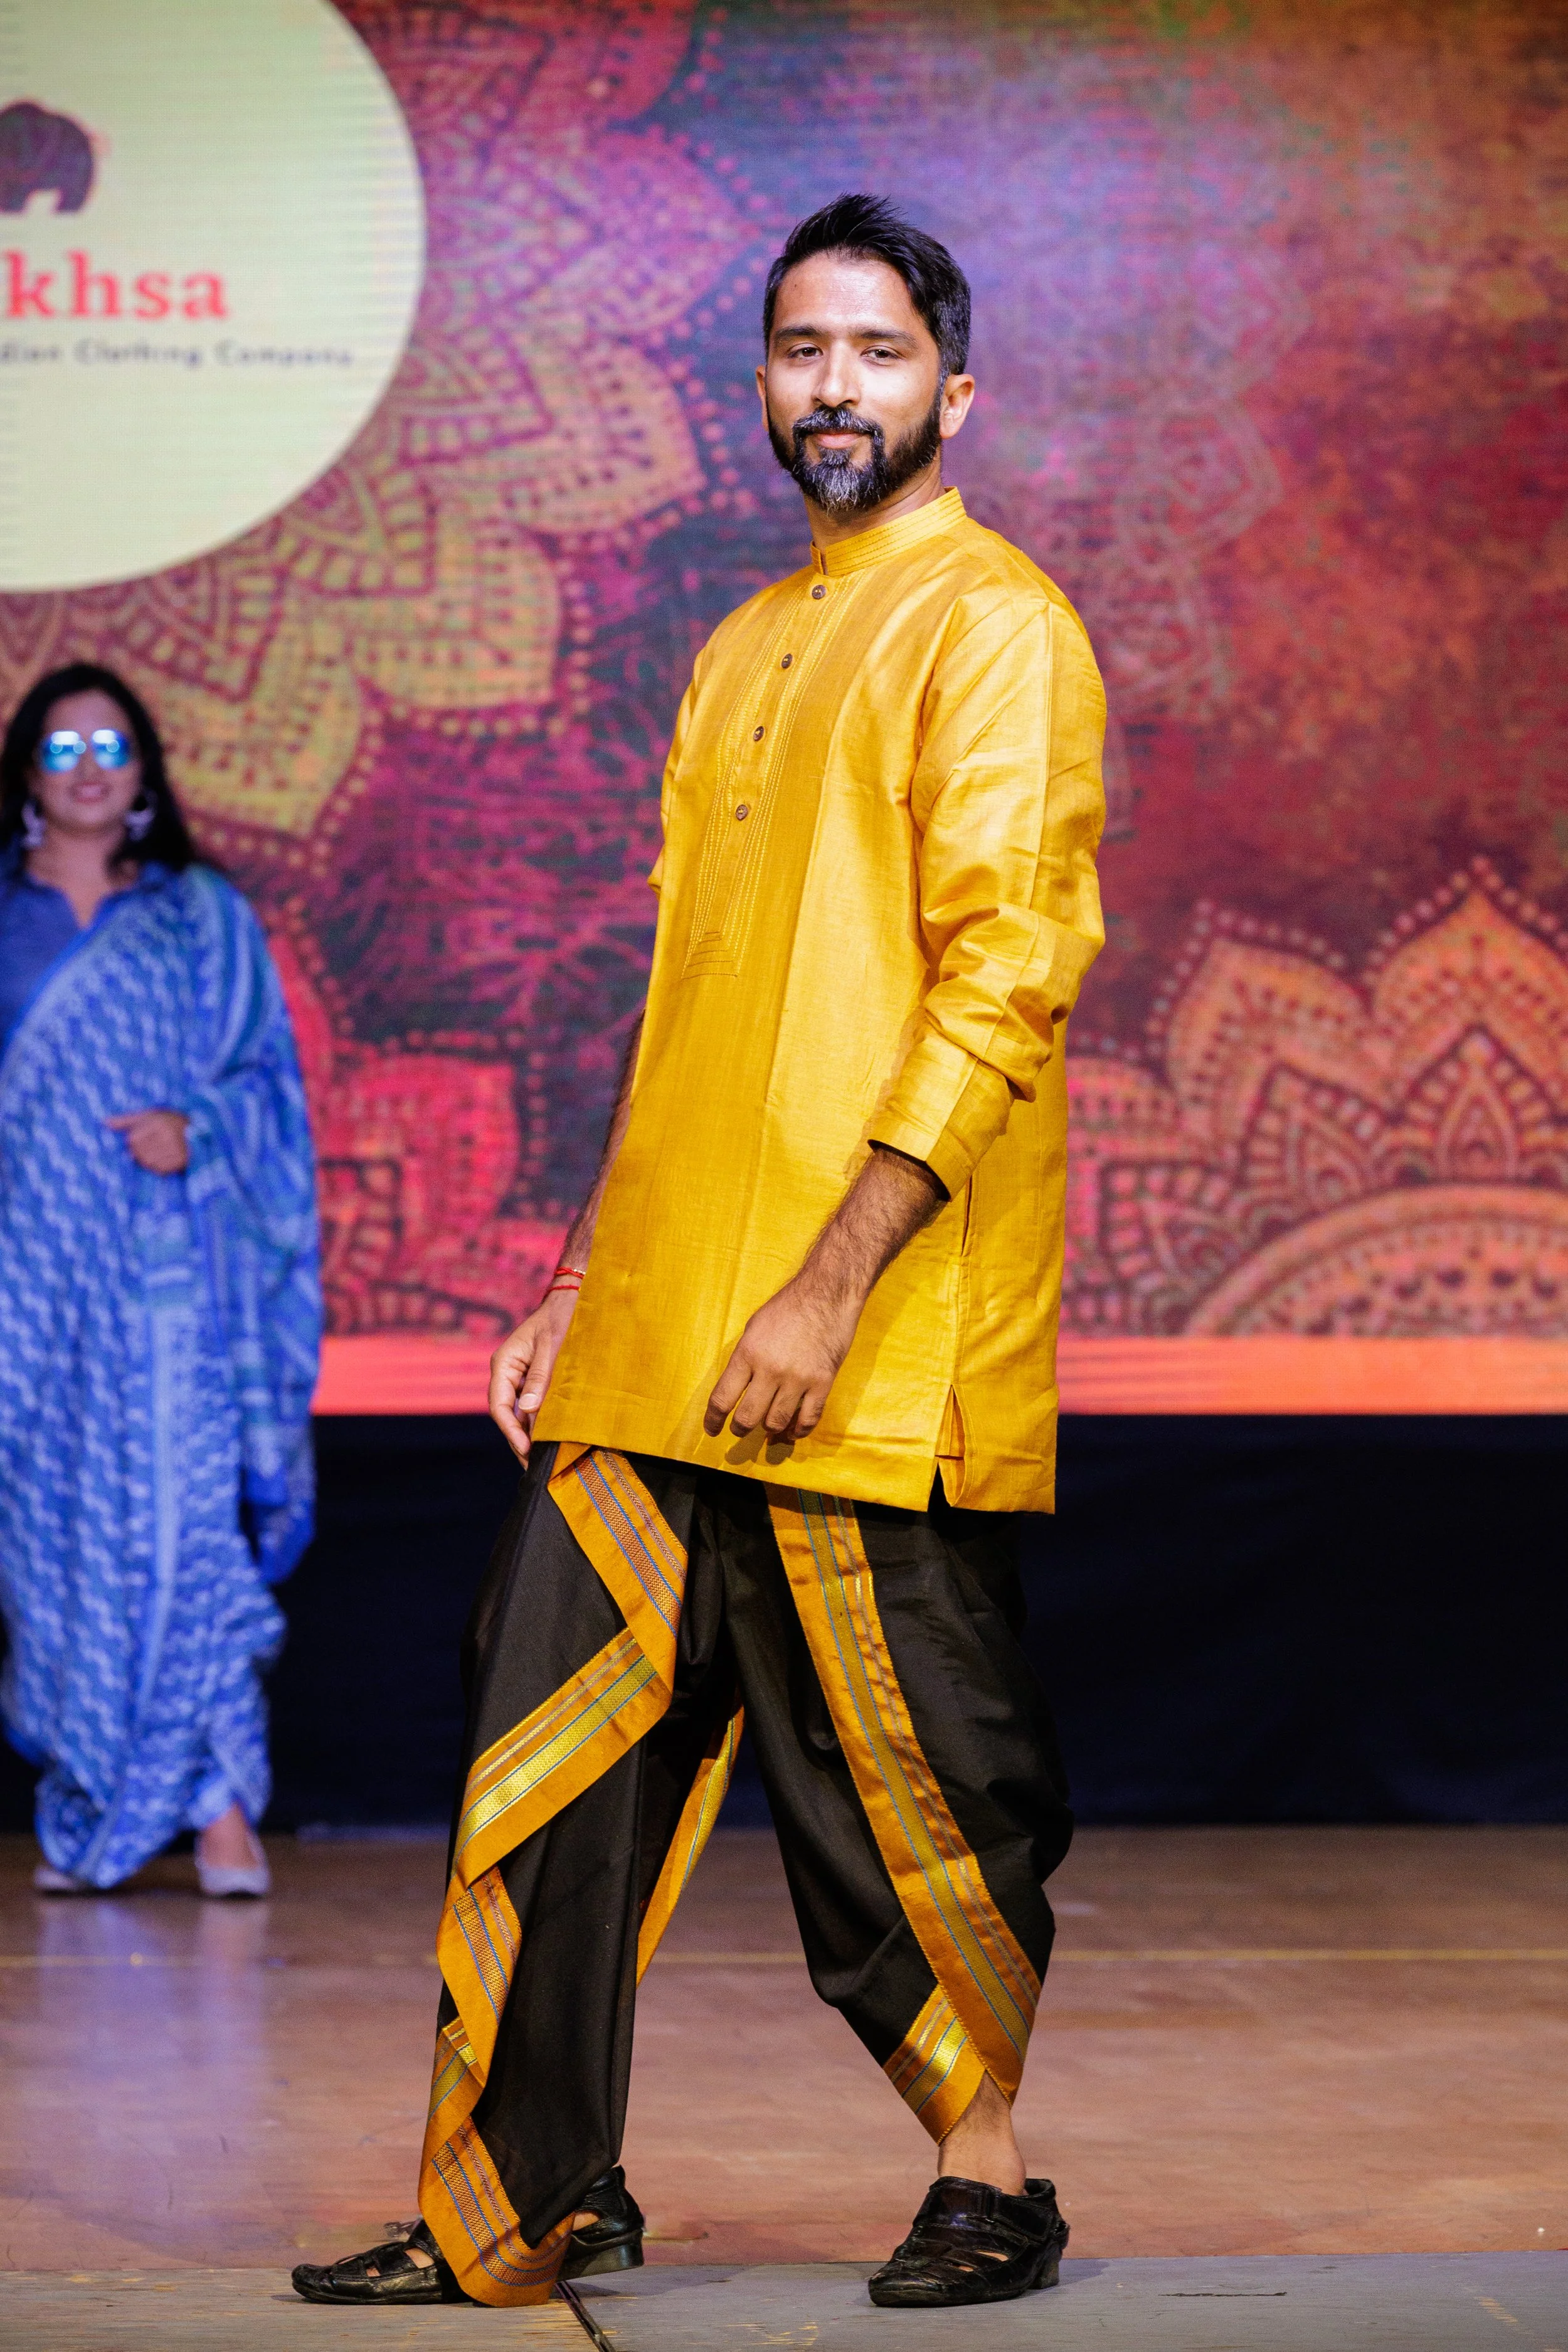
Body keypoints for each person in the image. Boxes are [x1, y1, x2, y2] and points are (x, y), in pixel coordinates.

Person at [294, 192, 1104, 2312]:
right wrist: (590, 1280)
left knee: (903, 1781)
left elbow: (1004, 985)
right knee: (544, 1743)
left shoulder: (992, 625)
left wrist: (826, 1287)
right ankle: (533, 2186)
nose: (830, 388)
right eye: (795, 350)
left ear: (955, 382)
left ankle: (992, 2176)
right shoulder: (743, 649)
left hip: (874, 1337)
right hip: (664, 1330)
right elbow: (688, 1021)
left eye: (872, 351)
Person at [0, 662, 320, 1897]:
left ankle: (221, 1803)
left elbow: (264, 1089)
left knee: (185, 1532)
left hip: (170, 1279)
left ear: (142, 773)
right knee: (52, 1550)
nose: (90, 772)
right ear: (31, 774)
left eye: (112, 749)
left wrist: (200, 1128)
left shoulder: (200, 915)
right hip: (32, 1294)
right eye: (64, 752)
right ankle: (88, 1792)